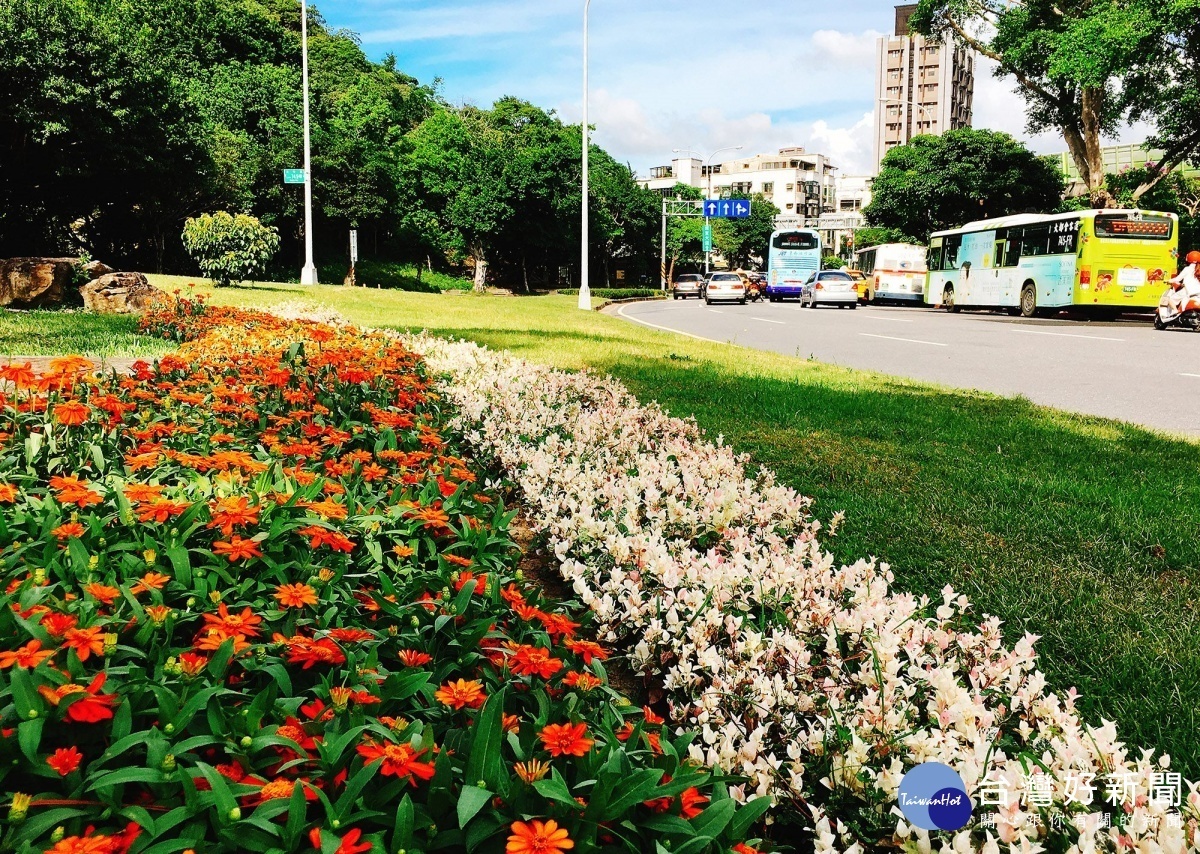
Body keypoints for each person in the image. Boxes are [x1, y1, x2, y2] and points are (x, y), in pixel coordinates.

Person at [1166, 250, 1200, 317]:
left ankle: (1175, 311)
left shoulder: (1187, 269)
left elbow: (1177, 279)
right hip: (1198, 293)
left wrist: (1169, 281)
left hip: (1187, 292)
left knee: (1169, 299)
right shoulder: (1198, 270)